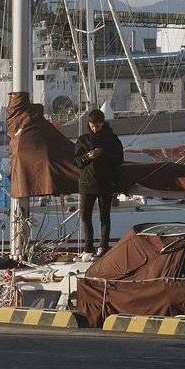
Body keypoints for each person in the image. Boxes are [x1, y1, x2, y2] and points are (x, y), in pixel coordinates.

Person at [73, 108, 124, 257]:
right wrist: (87, 157)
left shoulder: (112, 139)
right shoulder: (83, 139)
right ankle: (88, 247)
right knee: (85, 216)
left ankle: (103, 246)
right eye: (92, 125)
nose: (95, 128)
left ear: (102, 123)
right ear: (89, 124)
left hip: (105, 182)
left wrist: (102, 153)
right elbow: (76, 161)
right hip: (86, 183)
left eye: (98, 125)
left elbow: (119, 159)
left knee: (104, 216)